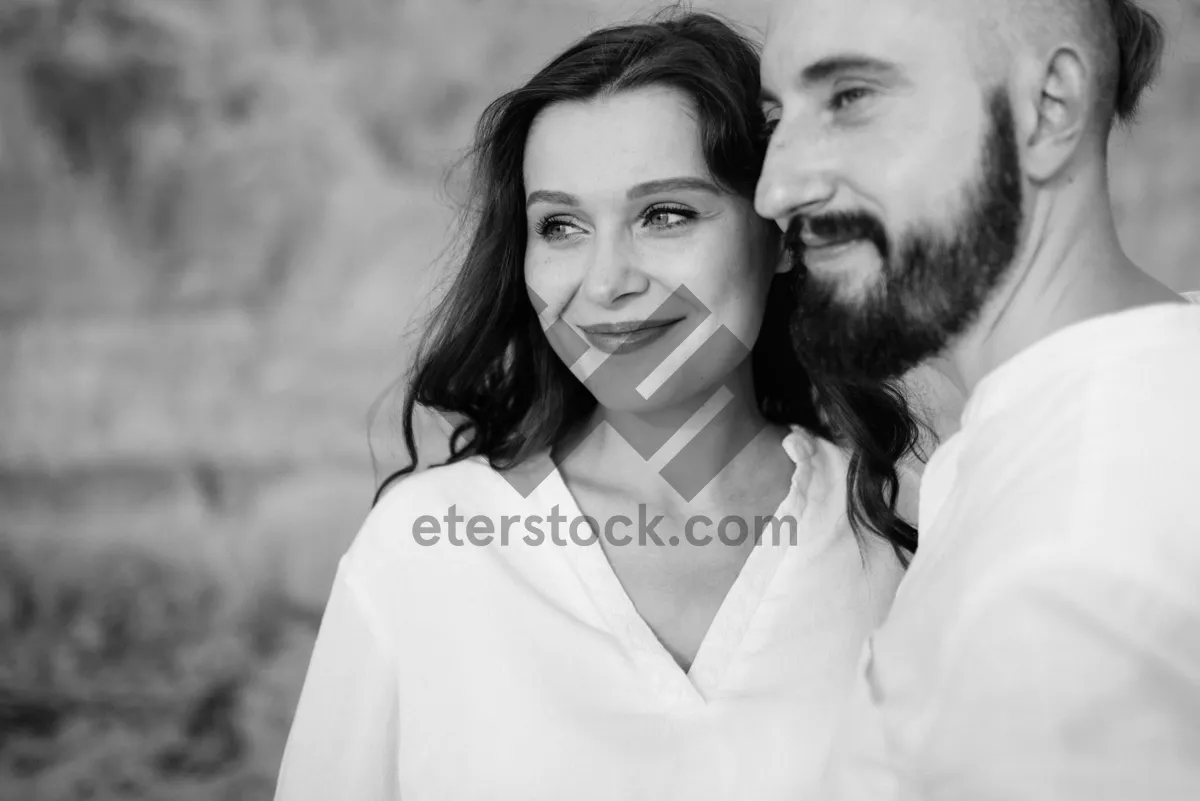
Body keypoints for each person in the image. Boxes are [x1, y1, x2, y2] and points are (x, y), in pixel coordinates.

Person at [274, 11, 930, 801]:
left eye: (666, 215)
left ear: (782, 232)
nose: (607, 278)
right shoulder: (421, 552)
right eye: (561, 226)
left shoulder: (901, 536)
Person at [754, 0, 1200, 797]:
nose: (775, 187)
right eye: (778, 117)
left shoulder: (1069, 588)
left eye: (851, 98)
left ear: (1048, 107)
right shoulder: (1132, 390)